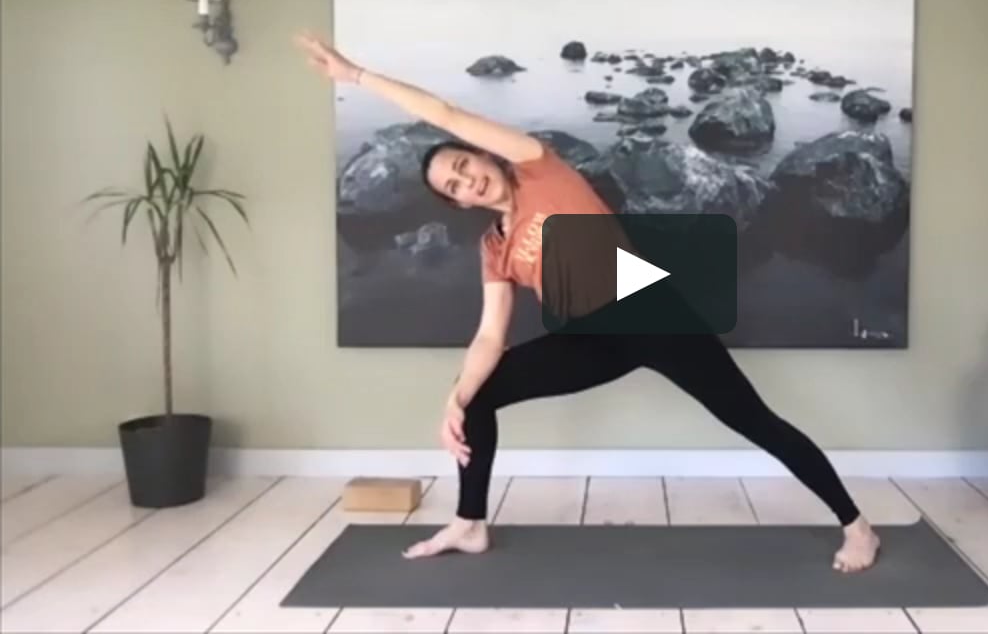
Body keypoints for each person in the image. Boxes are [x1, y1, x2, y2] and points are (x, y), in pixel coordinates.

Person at [295, 33, 881, 572]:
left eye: (464, 165)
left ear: (484, 156)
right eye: (453, 186)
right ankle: (469, 523)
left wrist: (357, 76)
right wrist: (456, 397)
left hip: (652, 313)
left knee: (755, 421)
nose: (466, 180)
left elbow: (445, 114)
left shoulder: (538, 168)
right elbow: (490, 335)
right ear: (457, 204)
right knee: (476, 392)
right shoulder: (494, 246)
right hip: (590, 336)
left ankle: (858, 527)